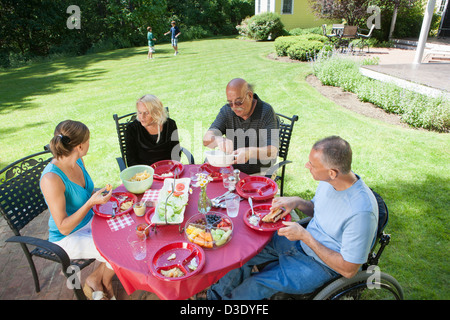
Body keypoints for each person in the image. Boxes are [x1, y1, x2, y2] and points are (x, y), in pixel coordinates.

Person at [207, 136, 379, 300]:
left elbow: (348, 270)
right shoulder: (333, 180)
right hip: (300, 243)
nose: (306, 165)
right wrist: (297, 202)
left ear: (332, 172)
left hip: (320, 266)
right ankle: (213, 297)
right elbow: (318, 210)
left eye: (312, 164)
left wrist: (305, 237)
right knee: (243, 253)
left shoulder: (361, 213)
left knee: (256, 283)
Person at [40, 120, 116, 300]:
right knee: (115, 249)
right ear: (80, 145)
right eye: (89, 140)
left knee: (125, 233)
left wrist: (100, 194)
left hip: (89, 221)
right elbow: (63, 227)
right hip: (67, 237)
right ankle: (106, 283)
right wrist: (90, 203)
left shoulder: (78, 160)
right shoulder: (51, 179)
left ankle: (95, 279)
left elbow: (85, 191)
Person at [203, 78, 279, 175]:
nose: (234, 107)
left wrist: (250, 152)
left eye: (238, 102)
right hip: (231, 168)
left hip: (257, 171)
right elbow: (206, 140)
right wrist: (218, 139)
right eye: (230, 102)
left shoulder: (265, 111)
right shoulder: (227, 111)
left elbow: (272, 151)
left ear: (250, 96)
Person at [125, 94, 181, 166]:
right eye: (139, 112)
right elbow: (131, 160)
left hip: (168, 169)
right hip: (144, 173)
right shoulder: (132, 129)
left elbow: (176, 151)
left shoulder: (170, 124)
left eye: (147, 113)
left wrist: (171, 169)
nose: (142, 117)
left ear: (156, 112)